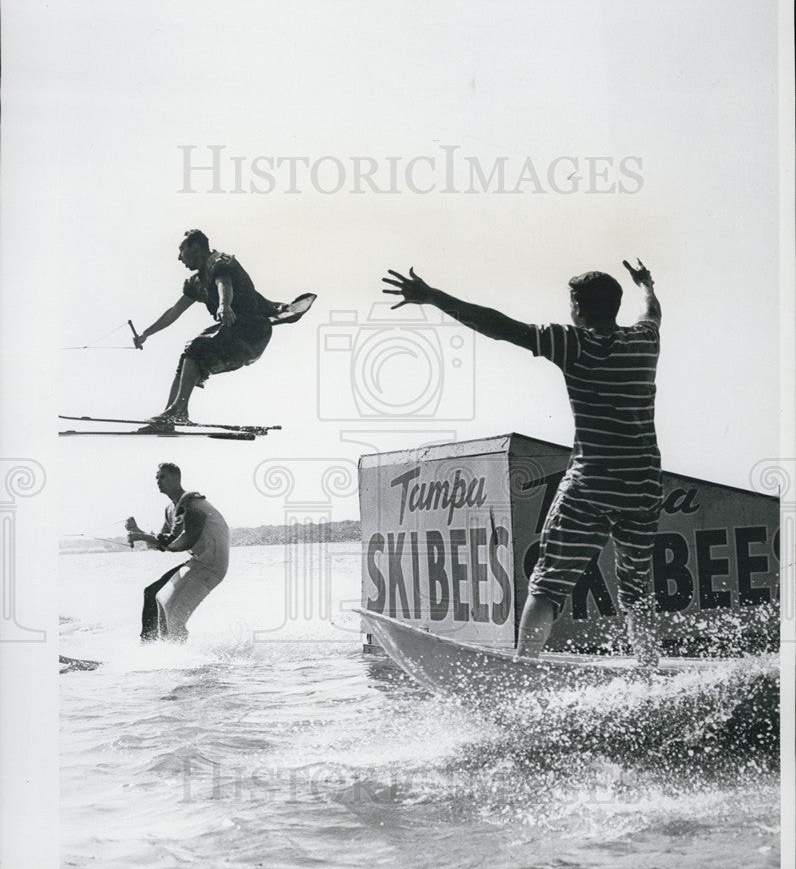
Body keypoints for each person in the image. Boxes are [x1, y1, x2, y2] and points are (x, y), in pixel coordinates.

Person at [382, 260, 663, 665]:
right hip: (644, 485)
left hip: (592, 483)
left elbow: (501, 327)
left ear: (578, 308)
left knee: (548, 585)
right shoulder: (645, 341)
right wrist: (648, 286)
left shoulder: (575, 343)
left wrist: (433, 297)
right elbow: (652, 312)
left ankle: (524, 667)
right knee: (635, 588)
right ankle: (649, 671)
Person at [133, 230, 315, 424]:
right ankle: (171, 416)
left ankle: (176, 411)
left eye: (182, 251)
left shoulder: (218, 262)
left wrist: (224, 304)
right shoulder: (197, 282)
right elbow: (174, 311)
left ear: (195, 248)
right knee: (187, 360)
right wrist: (146, 334)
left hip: (252, 331)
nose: (179, 258)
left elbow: (224, 283)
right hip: (234, 333)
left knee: (196, 347)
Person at [125, 462, 230, 643]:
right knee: (155, 595)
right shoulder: (170, 509)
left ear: (177, 478)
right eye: (156, 478)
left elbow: (183, 542)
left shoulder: (193, 505)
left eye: (163, 477)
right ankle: (151, 648)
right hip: (198, 562)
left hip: (212, 566)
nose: (158, 481)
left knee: (175, 615)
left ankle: (179, 658)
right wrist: (139, 532)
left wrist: (142, 536)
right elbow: (162, 544)